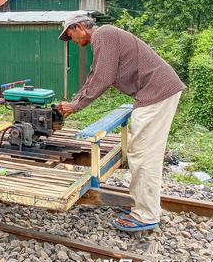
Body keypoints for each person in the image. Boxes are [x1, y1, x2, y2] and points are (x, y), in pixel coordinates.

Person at [57, 12, 185, 233]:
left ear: (79, 27)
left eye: (71, 36)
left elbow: (103, 79)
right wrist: (74, 103)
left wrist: (76, 106)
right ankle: (143, 207)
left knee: (144, 155)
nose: (74, 42)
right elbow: (95, 75)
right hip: (154, 94)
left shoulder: (104, 35)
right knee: (141, 153)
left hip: (156, 94)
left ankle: (145, 215)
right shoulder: (103, 39)